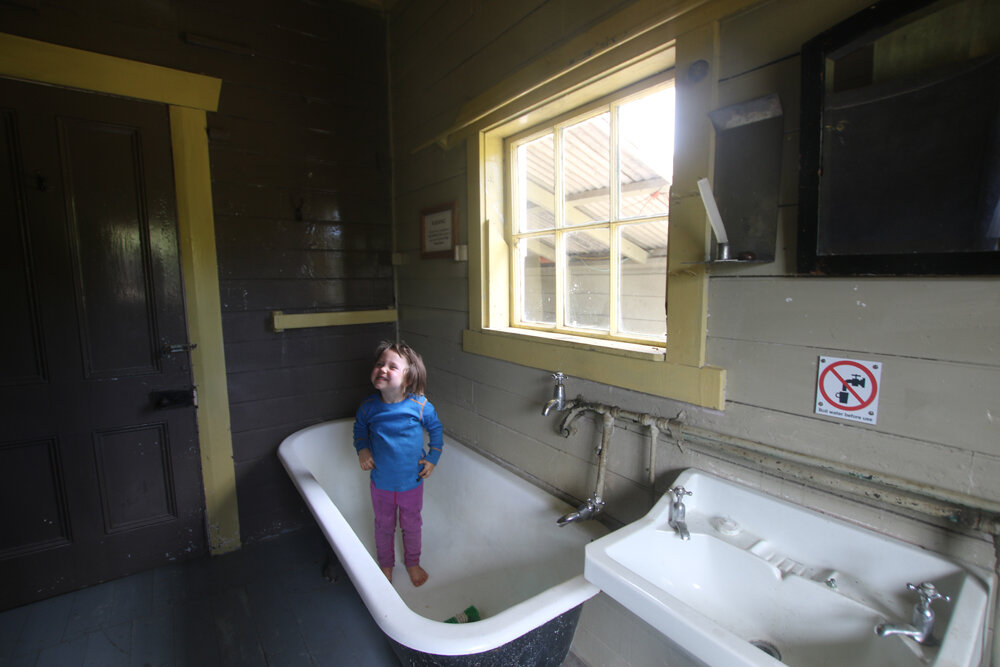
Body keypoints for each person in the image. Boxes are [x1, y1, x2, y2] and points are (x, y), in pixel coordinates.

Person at [353, 341, 443, 587]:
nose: (382, 369)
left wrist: (433, 458)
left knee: (411, 525)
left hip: (411, 483)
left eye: (392, 366)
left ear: (408, 378)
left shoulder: (420, 405)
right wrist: (362, 450)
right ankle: (386, 564)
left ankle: (412, 562)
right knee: (384, 526)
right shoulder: (369, 407)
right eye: (380, 364)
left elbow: (436, 431)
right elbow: (359, 432)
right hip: (381, 483)